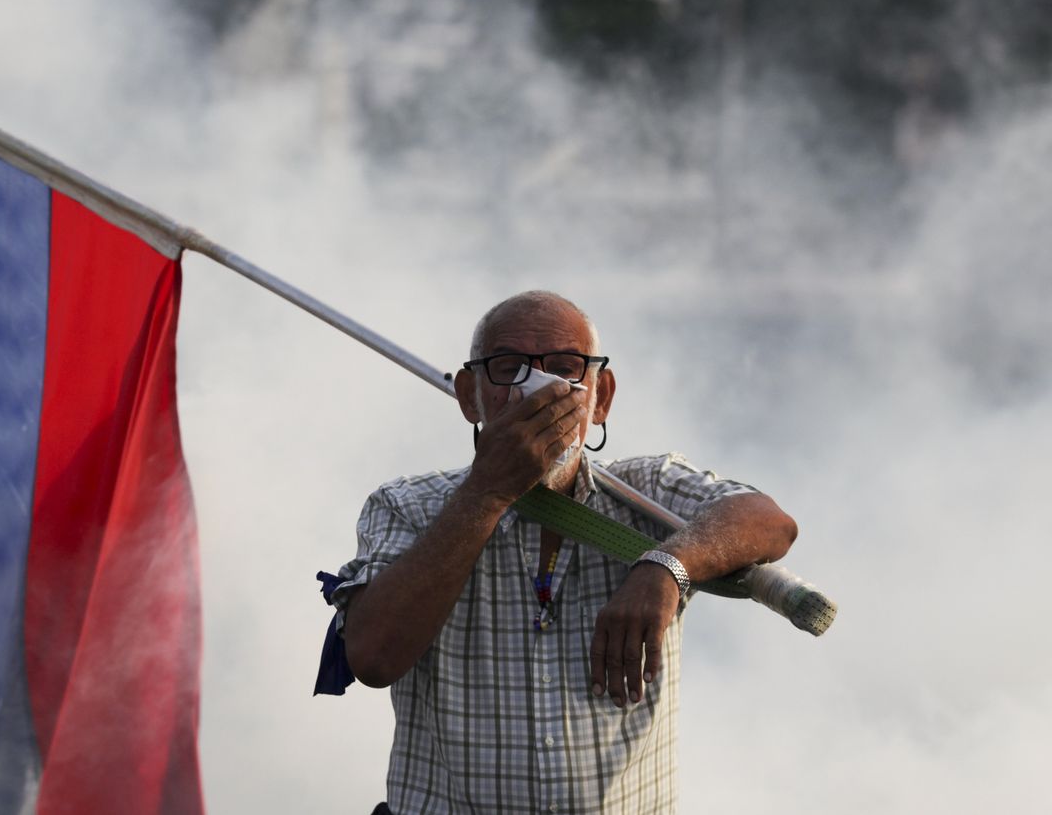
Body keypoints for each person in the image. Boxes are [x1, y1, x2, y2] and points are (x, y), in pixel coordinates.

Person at [327, 291, 797, 814]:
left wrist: (665, 568)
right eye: (508, 369)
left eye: (565, 368)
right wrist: (488, 492)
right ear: (470, 396)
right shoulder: (407, 506)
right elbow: (372, 658)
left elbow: (768, 520)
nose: (538, 390)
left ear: (600, 398)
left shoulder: (649, 495)